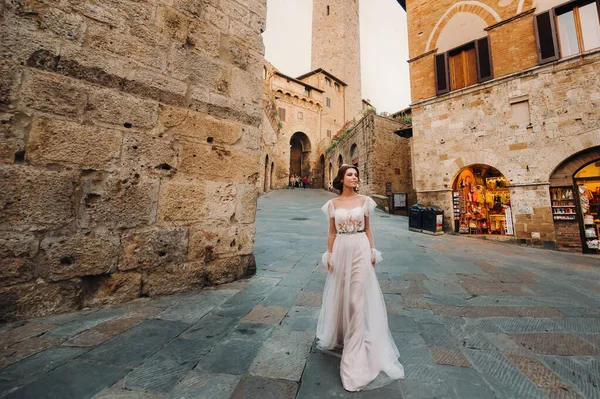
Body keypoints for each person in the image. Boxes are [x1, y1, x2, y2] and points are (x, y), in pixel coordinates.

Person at [317, 164, 404, 392]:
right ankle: (342, 335)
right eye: (350, 174)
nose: (354, 177)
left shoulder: (365, 201)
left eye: (356, 174)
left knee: (356, 300)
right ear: (342, 179)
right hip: (341, 249)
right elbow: (331, 232)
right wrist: (330, 255)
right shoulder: (332, 204)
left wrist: (373, 250)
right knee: (344, 296)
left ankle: (353, 354)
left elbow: (367, 229)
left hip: (360, 249)